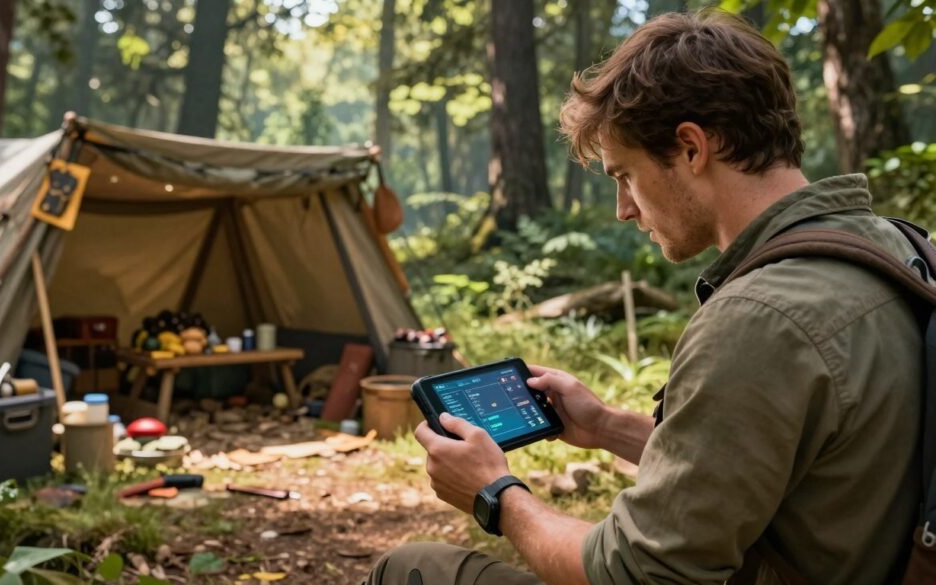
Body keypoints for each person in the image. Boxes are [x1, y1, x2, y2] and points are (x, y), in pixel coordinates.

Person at [362, 9, 921, 585]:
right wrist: (607, 427)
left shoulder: (761, 318)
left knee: (411, 568)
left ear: (691, 148)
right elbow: (764, 462)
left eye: (624, 175)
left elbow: (637, 574)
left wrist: (496, 493)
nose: (625, 209)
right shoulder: (900, 250)